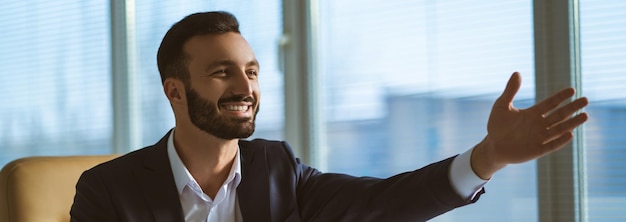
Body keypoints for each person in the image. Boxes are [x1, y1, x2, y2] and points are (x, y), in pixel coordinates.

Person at [70, 11, 589, 222]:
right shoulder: (106, 191)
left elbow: (381, 203)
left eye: (251, 70)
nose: (245, 86)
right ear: (175, 91)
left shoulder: (277, 170)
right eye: (222, 73)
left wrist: (488, 156)